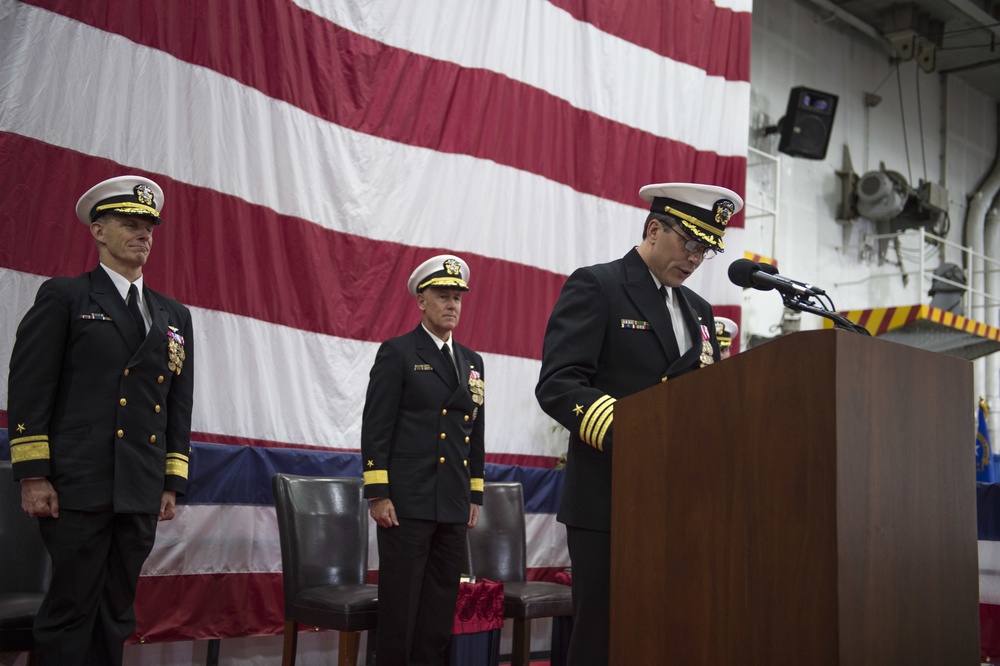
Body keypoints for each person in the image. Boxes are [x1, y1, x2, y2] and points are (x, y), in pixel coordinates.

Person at [535, 182, 743, 665]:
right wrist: (634, 435)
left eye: (706, 250)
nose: (695, 258)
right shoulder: (599, 285)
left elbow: (701, 397)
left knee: (667, 630)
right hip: (609, 498)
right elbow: (559, 384)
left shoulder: (700, 312)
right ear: (654, 228)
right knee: (604, 637)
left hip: (678, 501)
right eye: (689, 242)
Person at [7, 175, 194, 666]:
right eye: (129, 223)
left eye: (148, 226)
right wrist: (32, 474)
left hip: (139, 484)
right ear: (98, 230)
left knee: (116, 611)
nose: (143, 234)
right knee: (71, 609)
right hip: (79, 481)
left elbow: (178, 402)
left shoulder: (173, 315)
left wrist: (171, 479)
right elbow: (30, 388)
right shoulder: (66, 297)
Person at [361, 254, 485, 666]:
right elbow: (376, 427)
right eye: (443, 296)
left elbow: (474, 432)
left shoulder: (472, 363)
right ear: (421, 300)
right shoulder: (397, 353)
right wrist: (378, 493)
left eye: (457, 298)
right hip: (407, 504)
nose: (452, 305)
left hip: (450, 503)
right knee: (401, 610)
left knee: (437, 613)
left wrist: (474, 494)